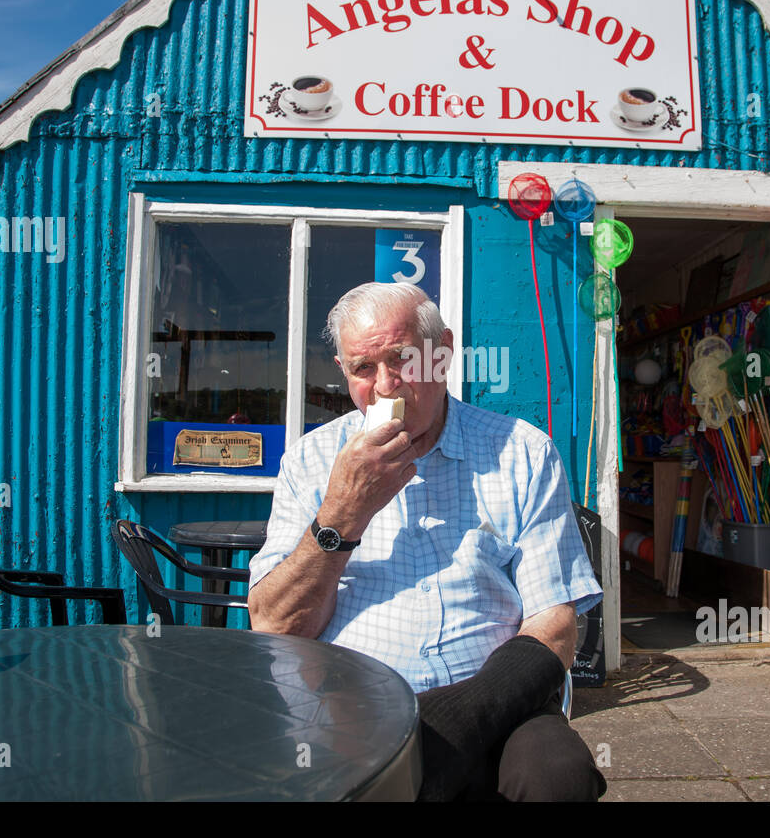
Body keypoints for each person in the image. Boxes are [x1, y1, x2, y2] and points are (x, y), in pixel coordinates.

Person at [248, 281, 605, 801]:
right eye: (362, 369)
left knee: (559, 774)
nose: (386, 385)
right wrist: (343, 514)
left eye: (403, 359)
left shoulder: (522, 453)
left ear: (443, 353)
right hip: (353, 704)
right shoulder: (310, 461)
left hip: (502, 700)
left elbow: (555, 625)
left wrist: (458, 718)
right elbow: (275, 624)